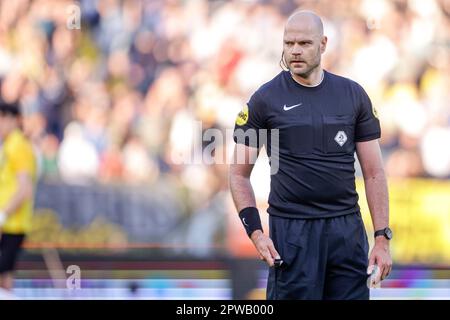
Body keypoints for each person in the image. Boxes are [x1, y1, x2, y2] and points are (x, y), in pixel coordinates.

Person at [229, 10, 392, 300]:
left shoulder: (353, 95)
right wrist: (255, 232)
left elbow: (375, 173)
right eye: (289, 43)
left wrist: (382, 237)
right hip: (292, 234)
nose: (294, 51)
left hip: (346, 231)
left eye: (304, 43)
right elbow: (238, 174)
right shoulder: (265, 100)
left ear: (323, 44)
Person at [0, 101, 37, 291]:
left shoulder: (17, 146)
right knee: (5, 279)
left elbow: (25, 188)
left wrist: (3, 214)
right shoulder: (9, 146)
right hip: (9, 224)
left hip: (13, 224)